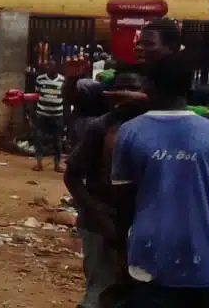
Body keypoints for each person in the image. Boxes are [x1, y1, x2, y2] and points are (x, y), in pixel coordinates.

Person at [111, 54, 209, 307]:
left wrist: (122, 256)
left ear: (148, 86)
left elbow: (123, 203)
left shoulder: (130, 132)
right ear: (189, 89)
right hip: (207, 263)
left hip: (148, 259)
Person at [64, 69, 147, 308]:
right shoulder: (101, 127)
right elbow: (72, 176)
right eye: (121, 91)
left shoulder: (152, 129)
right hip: (102, 222)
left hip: (137, 223)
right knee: (100, 289)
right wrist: (97, 216)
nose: (126, 96)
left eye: (133, 90)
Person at [34, 60, 66, 172]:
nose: (49, 67)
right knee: (39, 138)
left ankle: (57, 164)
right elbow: (37, 94)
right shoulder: (40, 79)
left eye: (51, 65)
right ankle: (39, 163)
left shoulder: (63, 80)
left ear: (56, 67)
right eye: (47, 65)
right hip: (42, 113)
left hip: (57, 114)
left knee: (57, 140)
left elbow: (65, 97)